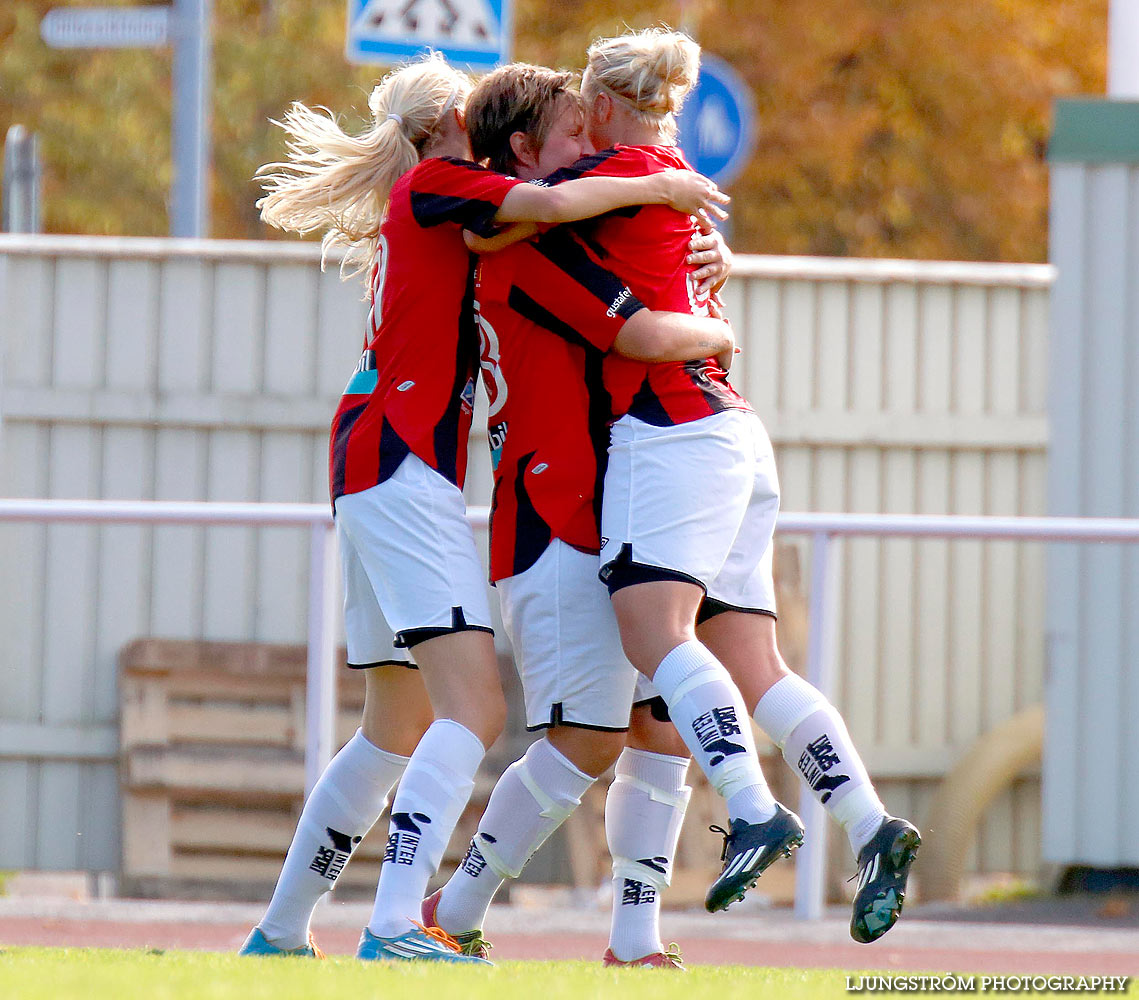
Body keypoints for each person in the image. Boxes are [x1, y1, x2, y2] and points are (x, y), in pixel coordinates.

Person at [238, 51, 732, 964]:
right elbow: (549, 204)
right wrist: (665, 186)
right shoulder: (442, 181)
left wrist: (690, 235)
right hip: (400, 462)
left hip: (374, 460)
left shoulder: (450, 206)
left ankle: (279, 930)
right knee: (471, 708)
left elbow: (534, 226)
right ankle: (393, 926)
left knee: (393, 727)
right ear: (452, 127)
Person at [561, 27, 920, 942]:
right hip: (735, 434)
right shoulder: (675, 187)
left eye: (576, 111)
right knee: (755, 667)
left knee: (654, 635)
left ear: (603, 106)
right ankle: (872, 826)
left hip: (670, 432)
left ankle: (753, 808)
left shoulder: (604, 188)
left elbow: (515, 210)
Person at [418, 63, 736, 968]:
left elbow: (649, 279)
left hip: (611, 512)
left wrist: (713, 259)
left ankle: (634, 940)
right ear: (522, 154)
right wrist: (718, 327)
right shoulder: (523, 240)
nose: (595, 154)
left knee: (658, 727)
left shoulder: (560, 223)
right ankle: (452, 903)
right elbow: (637, 332)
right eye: (573, 139)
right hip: (552, 516)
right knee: (588, 736)